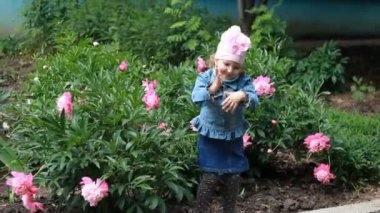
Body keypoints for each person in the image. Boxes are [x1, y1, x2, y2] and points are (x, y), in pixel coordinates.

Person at [191, 25, 260, 213]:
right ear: (216, 61)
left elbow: (255, 101)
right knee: (210, 177)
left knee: (233, 177)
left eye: (236, 66)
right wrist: (213, 89)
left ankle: (229, 210)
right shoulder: (205, 78)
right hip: (210, 137)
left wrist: (243, 95)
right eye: (226, 64)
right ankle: (200, 210)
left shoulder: (242, 82)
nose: (230, 70)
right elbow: (195, 97)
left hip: (232, 137)